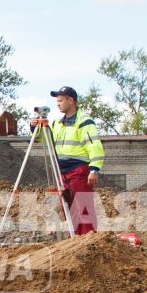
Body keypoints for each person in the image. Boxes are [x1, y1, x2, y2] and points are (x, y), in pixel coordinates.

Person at [44, 85, 104, 235]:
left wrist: (94, 169)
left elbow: (94, 146)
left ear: (71, 100)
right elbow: (47, 139)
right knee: (69, 209)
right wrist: (35, 129)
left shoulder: (84, 122)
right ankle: (76, 239)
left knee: (83, 209)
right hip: (62, 173)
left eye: (60, 100)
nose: (58, 104)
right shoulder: (57, 123)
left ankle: (88, 241)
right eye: (57, 101)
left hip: (79, 171)